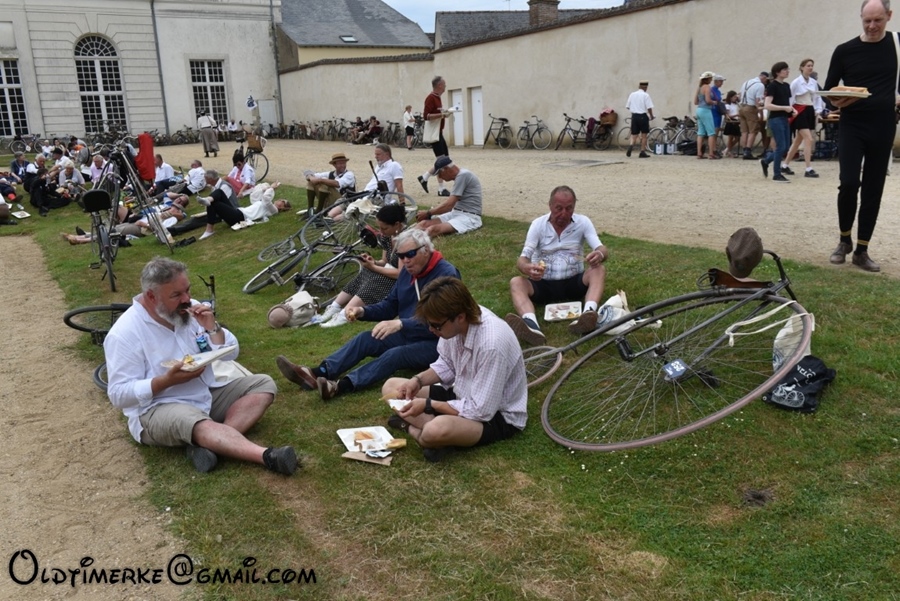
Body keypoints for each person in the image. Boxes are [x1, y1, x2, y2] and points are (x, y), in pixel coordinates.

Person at [103, 257, 297, 475]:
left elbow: (232, 352)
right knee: (194, 422)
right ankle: (268, 456)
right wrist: (165, 381)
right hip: (157, 408)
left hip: (204, 394)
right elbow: (118, 394)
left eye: (187, 290)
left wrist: (213, 328)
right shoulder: (124, 333)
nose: (187, 299)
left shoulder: (190, 310)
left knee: (263, 384)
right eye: (176, 295)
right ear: (151, 296)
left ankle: (211, 445)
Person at [275, 229, 461, 401]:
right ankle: (317, 373)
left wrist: (401, 324)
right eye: (401, 256)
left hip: (437, 343)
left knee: (395, 354)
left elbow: (443, 320)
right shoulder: (407, 272)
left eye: (410, 254)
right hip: (409, 334)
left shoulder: (446, 274)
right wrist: (362, 311)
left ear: (426, 250)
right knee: (366, 338)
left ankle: (340, 386)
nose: (405, 261)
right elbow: (390, 305)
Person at [381, 277, 527, 463]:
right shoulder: (455, 326)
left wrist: (429, 405)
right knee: (391, 387)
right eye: (429, 323)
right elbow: (447, 365)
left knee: (434, 430)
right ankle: (442, 438)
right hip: (463, 394)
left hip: (497, 415)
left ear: (460, 317)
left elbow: (481, 410)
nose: (431, 330)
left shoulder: (491, 344)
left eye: (436, 325)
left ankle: (416, 431)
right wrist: (417, 381)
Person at [823, 0, 898, 272]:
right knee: (849, 182)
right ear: (861, 18)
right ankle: (844, 240)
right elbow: (829, 90)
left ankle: (862, 250)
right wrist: (836, 100)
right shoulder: (845, 50)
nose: (872, 26)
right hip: (852, 125)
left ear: (889, 16)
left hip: (884, 125)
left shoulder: (897, 45)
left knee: (873, 188)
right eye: (867, 20)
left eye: (878, 20)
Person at [505, 185, 608, 345]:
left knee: (599, 269)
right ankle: (532, 326)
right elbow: (522, 259)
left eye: (569, 208)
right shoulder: (538, 225)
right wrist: (527, 268)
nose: (564, 214)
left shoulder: (583, 222)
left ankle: (588, 315)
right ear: (550, 205)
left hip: (574, 282)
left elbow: (602, 248)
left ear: (574, 207)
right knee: (516, 282)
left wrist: (599, 255)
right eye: (559, 208)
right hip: (543, 284)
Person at [312, 203, 407, 328]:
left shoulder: (406, 241)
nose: (381, 232)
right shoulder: (388, 237)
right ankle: (335, 306)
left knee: (378, 278)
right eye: (380, 228)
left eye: (384, 228)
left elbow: (401, 273)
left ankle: (345, 313)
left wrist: (374, 267)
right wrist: (373, 262)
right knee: (366, 271)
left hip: (401, 279)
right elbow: (384, 261)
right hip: (390, 271)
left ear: (397, 224)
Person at [414, 156, 482, 238]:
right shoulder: (461, 175)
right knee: (423, 224)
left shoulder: (463, 175)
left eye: (439, 173)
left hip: (469, 216)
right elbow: (449, 205)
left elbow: (449, 205)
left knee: (432, 229)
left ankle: (409, 243)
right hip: (455, 213)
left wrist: (428, 213)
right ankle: (403, 239)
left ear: (446, 169)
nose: (440, 177)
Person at [782, 59, 826, 178]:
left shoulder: (813, 82)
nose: (810, 68)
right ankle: (808, 168)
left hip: (809, 110)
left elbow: (817, 98)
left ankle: (785, 165)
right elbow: (790, 98)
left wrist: (818, 110)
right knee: (808, 139)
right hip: (799, 110)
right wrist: (791, 112)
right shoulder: (796, 82)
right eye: (808, 66)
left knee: (798, 140)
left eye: (812, 66)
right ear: (802, 67)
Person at [760, 61, 797, 183]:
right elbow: (767, 105)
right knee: (781, 146)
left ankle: (766, 161)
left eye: (787, 69)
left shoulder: (786, 86)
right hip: (775, 119)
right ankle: (777, 174)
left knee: (785, 147)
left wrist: (792, 110)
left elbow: (787, 103)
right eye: (784, 69)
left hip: (784, 118)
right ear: (777, 72)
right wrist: (784, 108)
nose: (787, 71)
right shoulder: (772, 86)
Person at [418, 75, 452, 196]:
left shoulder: (437, 98)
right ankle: (440, 188)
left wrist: (444, 113)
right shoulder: (431, 98)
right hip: (435, 134)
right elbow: (426, 116)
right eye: (444, 84)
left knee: (444, 160)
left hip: (439, 132)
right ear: (439, 85)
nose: (445, 86)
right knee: (442, 161)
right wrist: (442, 115)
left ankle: (425, 177)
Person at [196, 169, 248, 240]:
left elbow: (220, 203)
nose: (205, 181)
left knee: (199, 219)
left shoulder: (224, 186)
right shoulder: (215, 186)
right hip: (228, 211)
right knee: (202, 215)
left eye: (206, 179)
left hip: (233, 211)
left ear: (210, 179)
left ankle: (209, 230)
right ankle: (208, 229)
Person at [304, 152, 356, 218]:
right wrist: (311, 177)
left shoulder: (349, 174)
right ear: (334, 165)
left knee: (325, 184)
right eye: (340, 163)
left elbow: (337, 183)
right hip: (334, 201)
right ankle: (309, 211)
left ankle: (319, 211)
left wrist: (320, 180)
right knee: (311, 183)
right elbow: (308, 172)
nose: (343, 165)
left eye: (344, 163)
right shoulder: (331, 174)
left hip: (344, 202)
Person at [738, 71, 770, 159]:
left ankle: (744, 150)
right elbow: (757, 101)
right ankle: (748, 151)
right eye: (766, 80)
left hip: (742, 107)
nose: (766, 82)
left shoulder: (746, 82)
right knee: (753, 130)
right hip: (750, 108)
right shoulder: (760, 85)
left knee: (744, 131)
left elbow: (740, 96)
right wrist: (760, 111)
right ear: (764, 78)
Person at [625, 80, 655, 158]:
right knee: (644, 135)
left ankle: (631, 145)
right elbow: (649, 107)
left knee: (634, 134)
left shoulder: (632, 94)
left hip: (634, 116)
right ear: (646, 87)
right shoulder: (646, 95)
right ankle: (642, 152)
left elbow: (628, 106)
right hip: (643, 116)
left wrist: (635, 109)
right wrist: (651, 115)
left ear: (639, 87)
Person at [694, 71, 719, 159]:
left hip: (699, 110)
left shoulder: (699, 88)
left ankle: (699, 153)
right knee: (711, 132)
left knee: (700, 132)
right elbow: (708, 100)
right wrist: (714, 102)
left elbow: (695, 102)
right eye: (710, 78)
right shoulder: (707, 87)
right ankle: (711, 153)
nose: (711, 80)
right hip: (706, 110)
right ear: (708, 79)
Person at [723, 90, 742, 157]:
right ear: (730, 97)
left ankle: (727, 149)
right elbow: (728, 115)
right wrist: (736, 115)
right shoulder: (728, 105)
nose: (735, 98)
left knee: (737, 137)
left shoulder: (736, 104)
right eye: (734, 97)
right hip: (731, 121)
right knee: (730, 138)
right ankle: (729, 150)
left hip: (736, 121)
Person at [711, 74, 726, 153]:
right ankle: (713, 148)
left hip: (718, 112)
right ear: (716, 82)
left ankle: (714, 147)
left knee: (716, 131)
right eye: (720, 81)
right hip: (713, 111)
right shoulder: (712, 90)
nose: (722, 83)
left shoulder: (718, 91)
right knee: (714, 131)